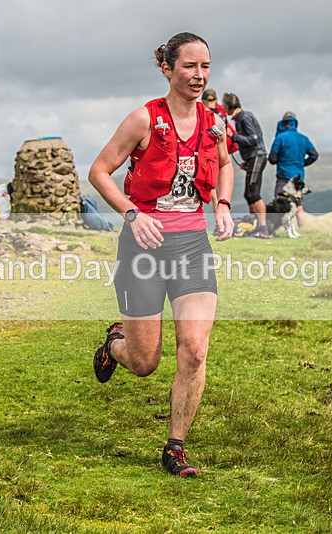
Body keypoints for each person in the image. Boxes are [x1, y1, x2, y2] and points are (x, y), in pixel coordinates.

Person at [88, 32, 234, 478]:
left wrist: (222, 205)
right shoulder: (143, 120)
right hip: (143, 250)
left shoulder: (214, 122)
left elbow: (224, 164)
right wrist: (132, 214)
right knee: (146, 362)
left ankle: (175, 447)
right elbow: (99, 171)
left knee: (193, 350)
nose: (198, 75)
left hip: (192, 246)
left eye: (205, 66)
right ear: (168, 69)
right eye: (189, 66)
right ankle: (117, 344)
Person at [221, 92, 271, 238]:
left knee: (253, 193)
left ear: (228, 106)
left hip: (257, 156)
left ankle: (263, 228)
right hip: (253, 158)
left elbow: (253, 139)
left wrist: (233, 136)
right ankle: (254, 225)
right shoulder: (241, 117)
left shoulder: (244, 117)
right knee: (248, 194)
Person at [268, 111, 319, 228]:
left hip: (283, 176)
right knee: (298, 206)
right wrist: (302, 164)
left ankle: (277, 230)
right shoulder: (304, 139)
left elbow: (272, 159)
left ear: (283, 123)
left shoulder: (280, 138)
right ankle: (302, 230)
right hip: (298, 178)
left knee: (279, 204)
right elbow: (314, 155)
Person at [201, 88, 238, 156]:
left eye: (211, 100)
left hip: (216, 152)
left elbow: (211, 136)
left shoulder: (220, 116)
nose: (210, 103)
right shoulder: (199, 112)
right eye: (209, 100)